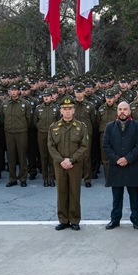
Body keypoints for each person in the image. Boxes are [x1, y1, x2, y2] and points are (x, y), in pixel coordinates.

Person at [48, 96, 90, 231]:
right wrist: (62, 160)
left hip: (75, 164)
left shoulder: (81, 127)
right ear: (60, 111)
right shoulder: (54, 127)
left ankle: (74, 219)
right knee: (61, 192)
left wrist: (71, 159)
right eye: (64, 109)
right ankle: (63, 220)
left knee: (74, 192)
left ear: (74, 110)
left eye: (70, 109)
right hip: (59, 165)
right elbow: (51, 146)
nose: (67, 111)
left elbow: (84, 146)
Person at [103, 101, 138, 229]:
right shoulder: (109, 127)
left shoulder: (137, 126)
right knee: (116, 196)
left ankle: (136, 219)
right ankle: (115, 219)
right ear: (117, 111)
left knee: (134, 196)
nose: (122, 112)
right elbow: (106, 145)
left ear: (129, 111)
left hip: (131, 166)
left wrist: (127, 159)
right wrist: (117, 159)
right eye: (120, 109)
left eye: (125, 109)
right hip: (115, 166)